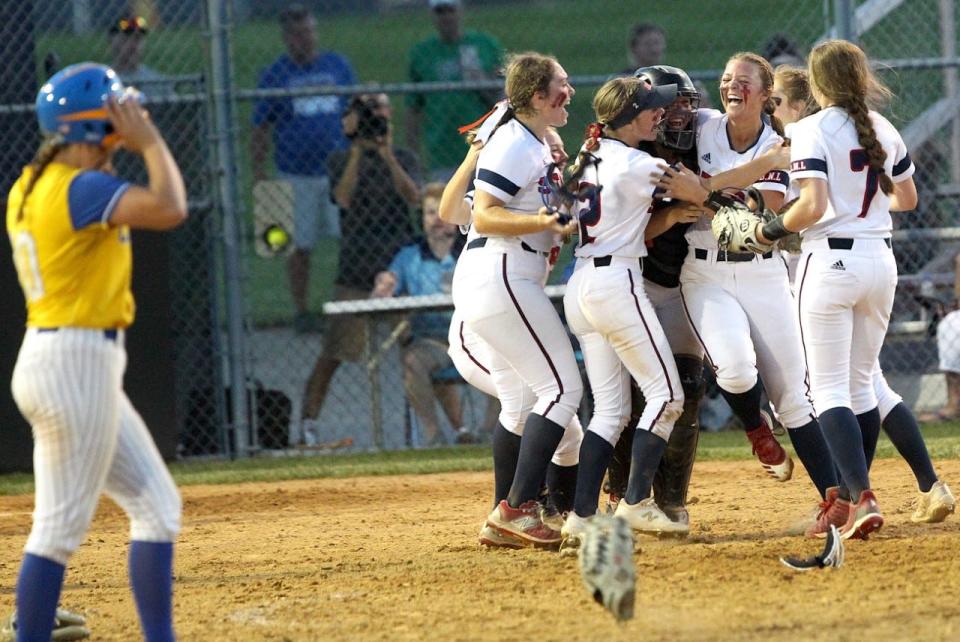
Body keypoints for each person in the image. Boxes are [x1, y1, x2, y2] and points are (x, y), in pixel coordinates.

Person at [6, 62, 185, 642]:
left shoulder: (33, 182)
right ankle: (29, 629)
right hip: (74, 364)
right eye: (111, 122)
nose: (122, 129)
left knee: (157, 507)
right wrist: (151, 141)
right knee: (57, 530)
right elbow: (170, 207)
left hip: (63, 360)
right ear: (86, 130)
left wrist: (118, 142)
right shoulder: (80, 188)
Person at [656, 53, 840, 527]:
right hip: (705, 273)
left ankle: (837, 500)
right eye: (725, 79)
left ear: (766, 96)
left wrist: (705, 189)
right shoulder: (704, 126)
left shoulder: (782, 141)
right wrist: (721, 183)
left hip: (762, 271)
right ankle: (757, 430)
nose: (730, 86)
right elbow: (690, 185)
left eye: (743, 81)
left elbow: (765, 208)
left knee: (796, 398)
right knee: (735, 372)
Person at [769, 62, 955, 529]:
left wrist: (769, 230)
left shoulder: (811, 127)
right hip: (880, 259)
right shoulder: (883, 125)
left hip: (830, 260)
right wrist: (864, 209)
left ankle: (861, 498)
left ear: (816, 83)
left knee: (828, 388)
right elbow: (907, 198)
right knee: (863, 383)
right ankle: (893, 490)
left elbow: (810, 207)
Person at [453, 52, 581, 547]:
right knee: (564, 389)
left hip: (508, 273)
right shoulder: (512, 143)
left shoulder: (533, 142)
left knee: (526, 402)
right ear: (535, 96)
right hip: (502, 272)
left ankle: (508, 512)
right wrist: (544, 223)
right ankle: (516, 508)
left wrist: (556, 219)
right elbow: (482, 215)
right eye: (560, 84)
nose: (568, 91)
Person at [558, 76, 690, 547]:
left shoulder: (590, 157)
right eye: (652, 108)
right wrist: (772, 162)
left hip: (581, 285)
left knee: (610, 411)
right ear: (630, 117)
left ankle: (581, 514)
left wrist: (668, 217)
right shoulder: (641, 163)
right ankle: (635, 501)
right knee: (668, 395)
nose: (660, 114)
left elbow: (605, 217)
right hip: (617, 285)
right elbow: (700, 190)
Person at [300, 92, 420, 445]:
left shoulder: (403, 156)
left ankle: (425, 431)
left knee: (414, 349)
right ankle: (308, 425)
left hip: (398, 268)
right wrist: (357, 149)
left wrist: (386, 154)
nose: (375, 118)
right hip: (355, 268)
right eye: (368, 112)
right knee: (335, 353)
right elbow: (343, 198)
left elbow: (413, 197)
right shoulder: (340, 159)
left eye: (380, 110)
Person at [251, 4, 356, 333]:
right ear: (286, 38)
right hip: (295, 173)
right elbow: (260, 127)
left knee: (349, 241)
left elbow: (355, 111)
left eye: (309, 32)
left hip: (337, 171)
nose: (305, 39)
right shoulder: (275, 75)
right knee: (298, 246)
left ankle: (349, 307)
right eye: (297, 34)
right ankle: (302, 311)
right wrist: (259, 172)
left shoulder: (337, 66)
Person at [371, 182, 465, 447]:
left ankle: (487, 434)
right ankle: (434, 437)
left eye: (444, 213)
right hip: (432, 342)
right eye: (430, 213)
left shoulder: (474, 250)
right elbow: (380, 295)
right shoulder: (408, 257)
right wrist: (383, 288)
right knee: (413, 361)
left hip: (474, 337)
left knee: (506, 354)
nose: (437, 220)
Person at [406, 0, 504, 180]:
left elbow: (504, 99)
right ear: (433, 15)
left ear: (460, 11)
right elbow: (413, 109)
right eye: (440, 12)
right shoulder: (421, 53)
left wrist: (482, 81)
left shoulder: (485, 45)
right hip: (441, 154)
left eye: (450, 10)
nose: (446, 17)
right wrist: (414, 155)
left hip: (486, 150)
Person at [108, 13, 173, 95]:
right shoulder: (103, 80)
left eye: (137, 38)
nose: (133, 45)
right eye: (126, 38)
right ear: (112, 41)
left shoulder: (158, 83)